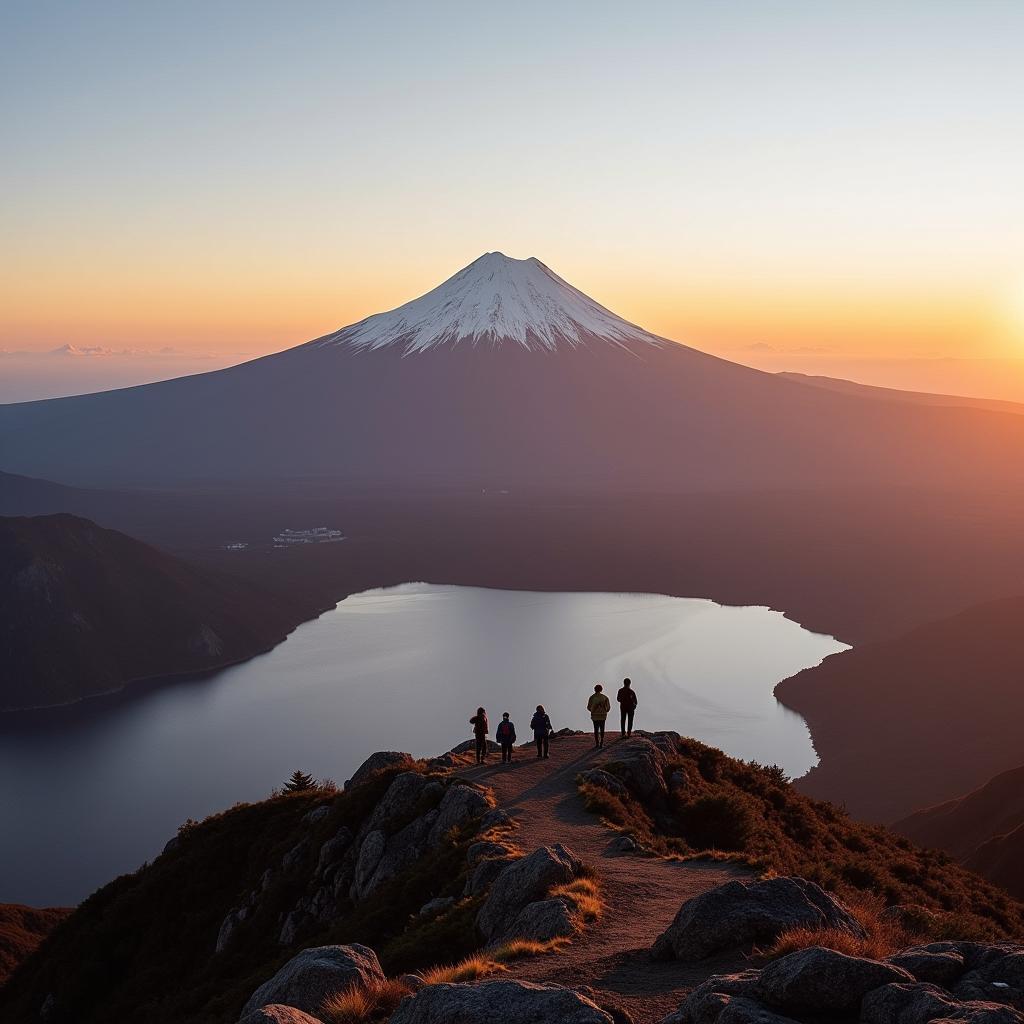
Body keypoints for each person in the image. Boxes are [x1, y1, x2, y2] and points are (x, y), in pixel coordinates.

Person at [587, 684, 611, 748]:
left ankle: (597, 743)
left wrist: (593, 710)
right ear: (601, 689)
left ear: (594, 689)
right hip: (603, 715)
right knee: (602, 728)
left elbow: (588, 707)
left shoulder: (592, 697)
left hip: (595, 716)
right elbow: (608, 708)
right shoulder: (605, 697)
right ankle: (601, 742)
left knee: (596, 729)